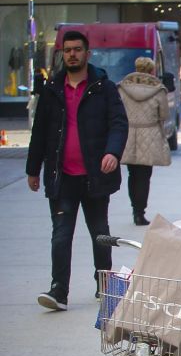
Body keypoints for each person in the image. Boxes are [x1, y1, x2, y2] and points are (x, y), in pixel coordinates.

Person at [26, 30, 128, 311]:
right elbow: (40, 132)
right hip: (62, 177)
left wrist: (112, 152)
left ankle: (104, 284)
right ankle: (59, 290)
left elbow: (119, 123)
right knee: (61, 234)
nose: (72, 54)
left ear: (87, 53)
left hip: (95, 176)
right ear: (63, 54)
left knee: (99, 232)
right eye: (67, 50)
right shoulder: (51, 90)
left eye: (77, 49)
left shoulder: (103, 87)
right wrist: (32, 169)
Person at [117, 56, 171, 226]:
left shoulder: (122, 87)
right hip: (150, 133)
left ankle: (135, 209)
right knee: (144, 175)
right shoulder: (158, 89)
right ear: (151, 70)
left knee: (132, 174)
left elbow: (116, 110)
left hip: (129, 132)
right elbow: (164, 115)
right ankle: (141, 212)